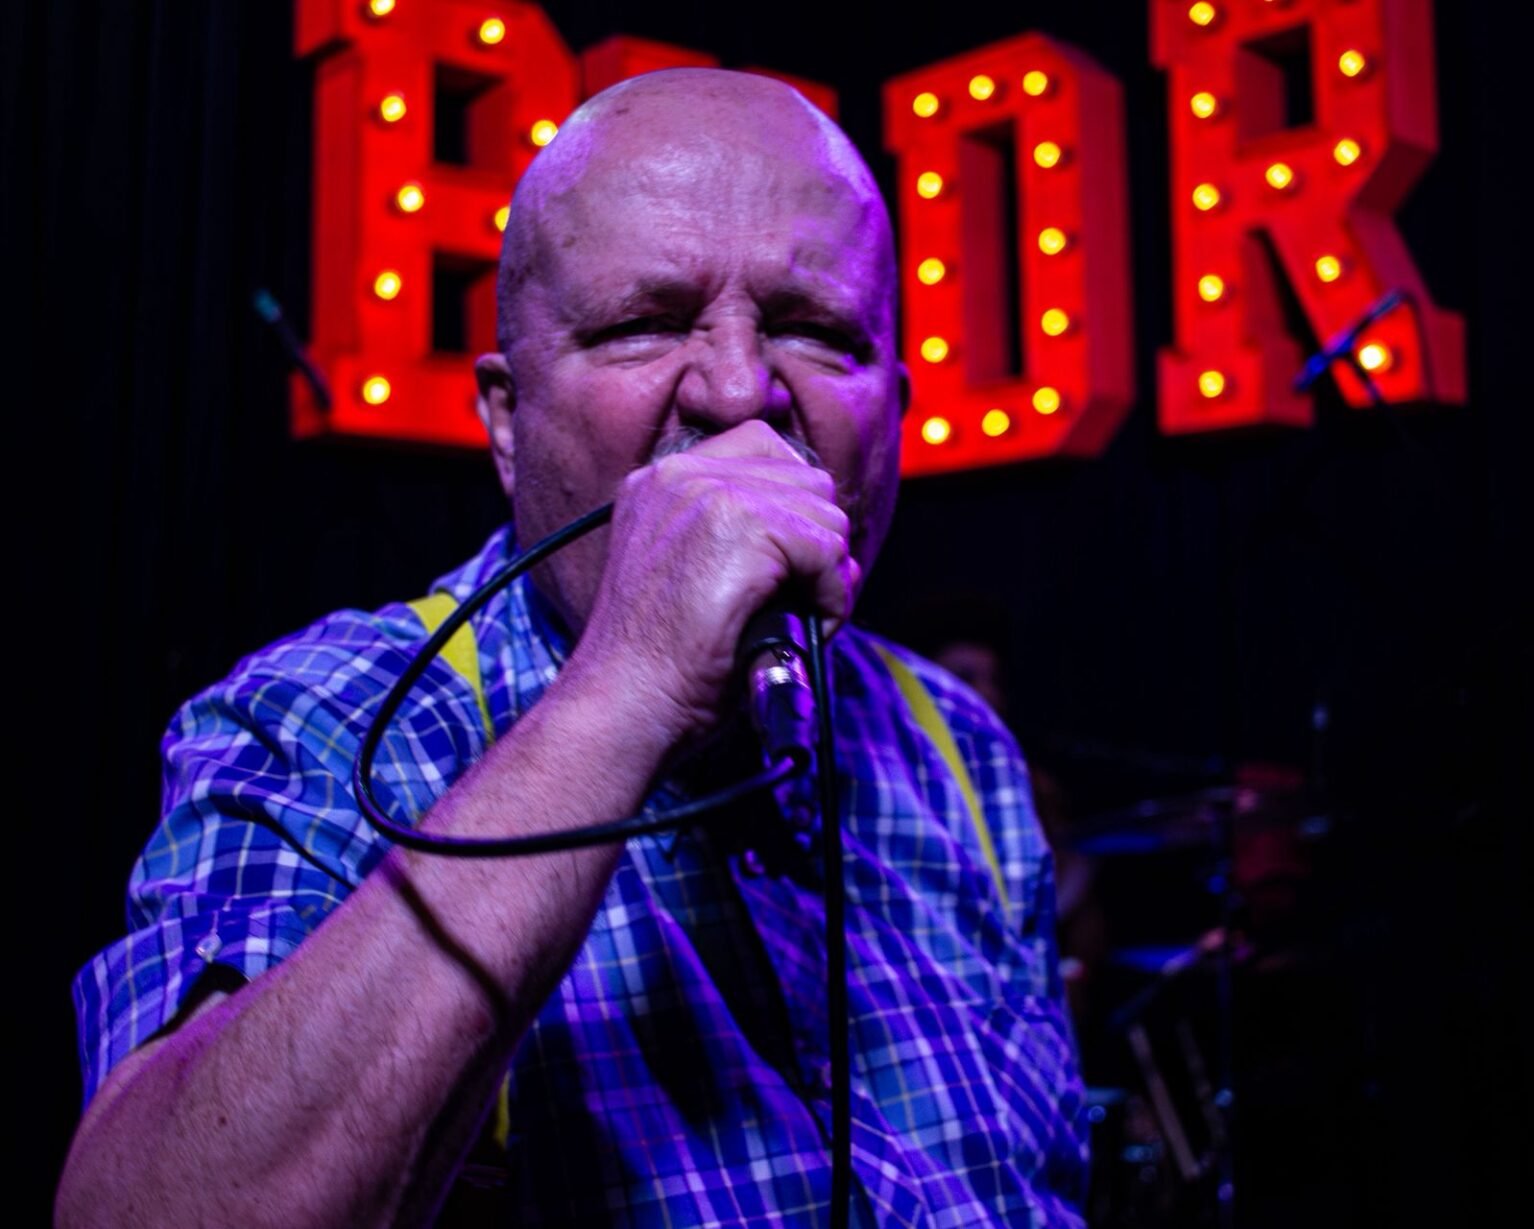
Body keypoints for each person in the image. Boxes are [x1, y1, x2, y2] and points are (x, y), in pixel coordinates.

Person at [57, 69, 1086, 1227]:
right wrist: (630, 684)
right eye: (643, 324)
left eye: (815, 332)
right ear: (508, 420)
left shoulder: (960, 754)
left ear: (895, 408)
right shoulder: (324, 718)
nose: (740, 392)